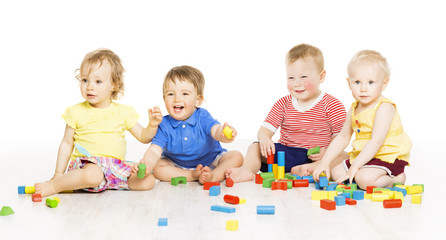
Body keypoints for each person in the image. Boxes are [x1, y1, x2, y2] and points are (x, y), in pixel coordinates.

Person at [35, 49, 162, 197]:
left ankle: (109, 182)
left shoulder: (123, 111)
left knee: (148, 181)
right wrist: (58, 174)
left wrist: (152, 125)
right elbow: (66, 144)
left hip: (114, 166)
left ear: (114, 84)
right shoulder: (76, 112)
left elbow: (143, 136)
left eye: (98, 81)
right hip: (87, 164)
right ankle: (54, 186)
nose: (90, 86)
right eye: (85, 80)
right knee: (93, 175)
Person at [226, 43, 348, 183]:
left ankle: (312, 168)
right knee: (255, 146)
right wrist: (265, 139)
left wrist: (327, 152)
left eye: (303, 77)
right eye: (291, 78)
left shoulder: (332, 104)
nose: (297, 83)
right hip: (286, 154)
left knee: (344, 156)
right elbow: (265, 129)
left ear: (321, 77)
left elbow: (340, 137)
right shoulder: (283, 103)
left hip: (317, 156)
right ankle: (246, 170)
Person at [313, 50, 411, 189]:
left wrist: (356, 167)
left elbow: (376, 142)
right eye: (357, 82)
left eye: (371, 82)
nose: (363, 89)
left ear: (384, 84)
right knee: (336, 172)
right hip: (365, 156)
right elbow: (343, 137)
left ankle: (395, 179)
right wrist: (325, 162)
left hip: (387, 156)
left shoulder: (385, 107)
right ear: (349, 83)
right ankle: (361, 171)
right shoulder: (354, 108)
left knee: (364, 180)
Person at [132, 65, 243, 183]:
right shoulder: (163, 124)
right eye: (170, 94)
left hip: (210, 160)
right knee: (157, 167)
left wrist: (224, 134)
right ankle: (191, 175)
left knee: (236, 156)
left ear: (198, 100)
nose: (177, 99)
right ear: (164, 99)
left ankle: (213, 176)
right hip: (177, 165)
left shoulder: (202, 116)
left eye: (184, 94)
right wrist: (147, 165)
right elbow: (154, 151)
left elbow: (215, 130)